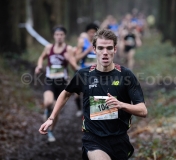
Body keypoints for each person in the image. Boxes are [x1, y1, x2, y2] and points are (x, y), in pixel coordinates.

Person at [39, 29, 147, 159]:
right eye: (101, 48)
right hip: (93, 139)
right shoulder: (83, 75)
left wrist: (121, 105)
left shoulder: (126, 75)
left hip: (120, 139)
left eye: (109, 48)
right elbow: (66, 93)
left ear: (115, 49)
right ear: (94, 50)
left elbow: (142, 111)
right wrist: (51, 118)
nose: (105, 53)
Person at [35, 25, 79, 142]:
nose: (59, 37)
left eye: (61, 35)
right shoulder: (49, 47)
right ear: (54, 36)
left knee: (56, 109)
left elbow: (75, 67)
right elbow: (41, 58)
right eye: (57, 35)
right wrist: (39, 66)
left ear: (64, 36)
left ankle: (50, 131)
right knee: (48, 102)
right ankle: (46, 110)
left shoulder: (69, 49)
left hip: (62, 82)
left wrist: (69, 59)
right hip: (50, 80)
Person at [74, 23, 99, 117]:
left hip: (95, 72)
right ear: (87, 32)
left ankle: (93, 113)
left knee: (93, 93)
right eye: (90, 32)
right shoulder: (82, 42)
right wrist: (87, 51)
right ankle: (79, 109)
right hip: (83, 72)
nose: (92, 34)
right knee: (77, 95)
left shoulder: (99, 42)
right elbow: (76, 58)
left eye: (94, 32)